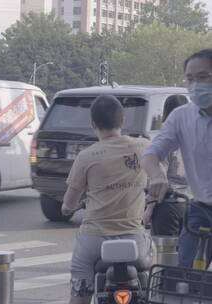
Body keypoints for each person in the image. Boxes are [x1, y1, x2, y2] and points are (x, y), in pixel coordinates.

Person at [61, 95, 152, 304]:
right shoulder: (144, 147)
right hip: (135, 241)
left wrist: (68, 209)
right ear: (122, 121)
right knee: (152, 261)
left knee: (80, 288)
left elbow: (69, 203)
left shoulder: (86, 156)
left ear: (93, 124)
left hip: (93, 241)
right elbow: (159, 176)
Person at [143, 49, 212, 268]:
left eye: (203, 77)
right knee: (185, 275)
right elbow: (151, 154)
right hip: (201, 209)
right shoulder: (182, 116)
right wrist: (156, 176)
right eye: (190, 79)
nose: (196, 85)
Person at [143, 95, 189, 236]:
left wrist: (150, 208)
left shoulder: (166, 139)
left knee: (166, 255)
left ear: (166, 114)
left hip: (169, 204)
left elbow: (160, 176)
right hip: (195, 205)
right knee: (192, 255)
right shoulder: (197, 136)